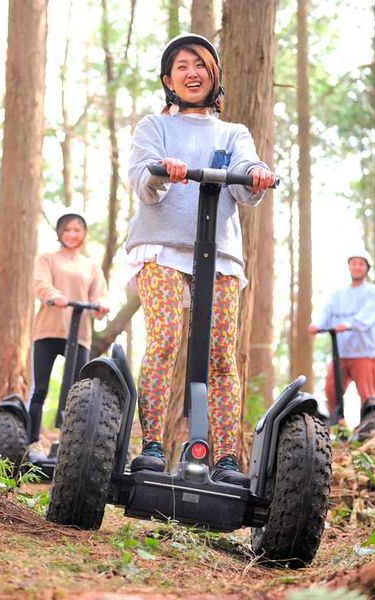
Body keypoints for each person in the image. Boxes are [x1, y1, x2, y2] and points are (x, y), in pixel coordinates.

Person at [124, 33, 276, 487]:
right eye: (182, 67)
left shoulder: (233, 133)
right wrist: (163, 172)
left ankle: (225, 457)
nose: (192, 73)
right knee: (165, 339)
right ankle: (152, 446)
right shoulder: (154, 127)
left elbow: (245, 176)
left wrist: (256, 174)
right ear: (168, 80)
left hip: (220, 253)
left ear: (214, 77)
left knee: (222, 356)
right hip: (162, 246)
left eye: (200, 66)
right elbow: (142, 180)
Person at [28, 212, 110, 461]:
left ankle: (67, 443)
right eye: (67, 230)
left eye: (77, 230)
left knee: (77, 391)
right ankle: (32, 443)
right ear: (59, 233)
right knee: (40, 388)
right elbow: (40, 283)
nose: (72, 234)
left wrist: (100, 305)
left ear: (83, 233)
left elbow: (99, 294)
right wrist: (54, 296)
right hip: (49, 330)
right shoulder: (47, 258)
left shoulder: (90, 265)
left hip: (80, 334)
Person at [308, 250, 375, 419]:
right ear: (349, 267)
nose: (357, 267)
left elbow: (368, 316)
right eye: (354, 263)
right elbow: (326, 312)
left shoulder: (372, 292)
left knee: (367, 396)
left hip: (363, 352)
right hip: (340, 353)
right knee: (331, 389)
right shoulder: (337, 295)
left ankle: (368, 427)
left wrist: (349, 324)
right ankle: (338, 424)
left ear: (367, 268)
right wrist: (316, 324)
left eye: (361, 264)